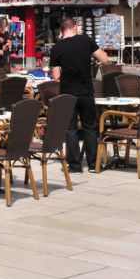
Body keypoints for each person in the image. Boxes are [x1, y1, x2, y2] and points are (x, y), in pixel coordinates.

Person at [50, 17, 109, 174]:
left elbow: (56, 75)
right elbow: (105, 58)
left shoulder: (57, 48)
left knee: (71, 129)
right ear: (75, 27)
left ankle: (75, 165)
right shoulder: (87, 41)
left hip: (68, 93)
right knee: (90, 127)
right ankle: (92, 164)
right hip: (86, 91)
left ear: (61, 31)